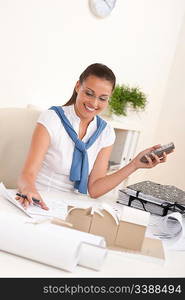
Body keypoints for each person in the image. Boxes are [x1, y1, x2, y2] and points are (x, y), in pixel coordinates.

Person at [16, 63, 169, 209]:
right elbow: (27, 174)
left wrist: (134, 164)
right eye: (89, 93)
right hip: (39, 200)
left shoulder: (105, 132)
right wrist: (29, 190)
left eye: (102, 98)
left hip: (73, 208)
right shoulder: (52, 118)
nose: (94, 103)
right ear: (77, 87)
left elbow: (95, 189)